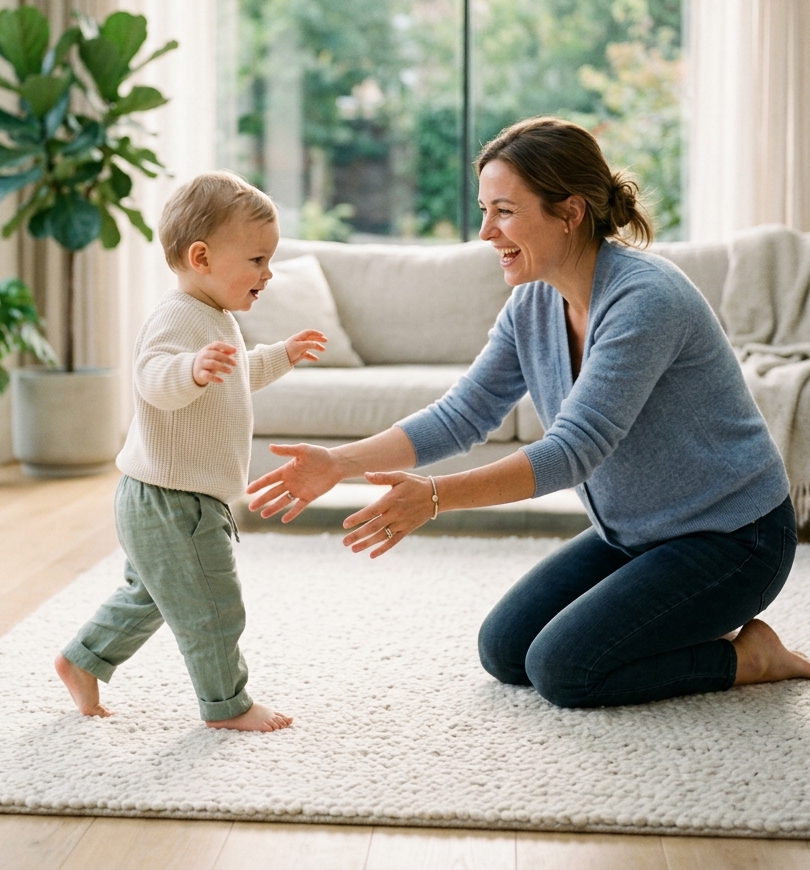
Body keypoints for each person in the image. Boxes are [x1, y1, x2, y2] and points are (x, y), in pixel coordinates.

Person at [247, 117, 810, 708]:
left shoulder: (646, 300)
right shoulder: (534, 303)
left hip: (732, 538)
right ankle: (674, 617)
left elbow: (571, 452)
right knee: (506, 650)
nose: (486, 231)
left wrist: (435, 496)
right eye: (486, 210)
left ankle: (749, 658)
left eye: (505, 211)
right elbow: (463, 414)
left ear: (569, 212)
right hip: (634, 535)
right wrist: (340, 463)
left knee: (564, 670)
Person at [56, 171, 326, 731]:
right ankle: (228, 706)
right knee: (213, 608)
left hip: (164, 496)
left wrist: (281, 355)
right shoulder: (177, 316)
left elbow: (237, 373)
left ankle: (83, 660)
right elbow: (153, 378)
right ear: (201, 257)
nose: (268, 274)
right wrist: (191, 370)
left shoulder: (214, 315)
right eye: (257, 261)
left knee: (153, 597)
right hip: (173, 502)